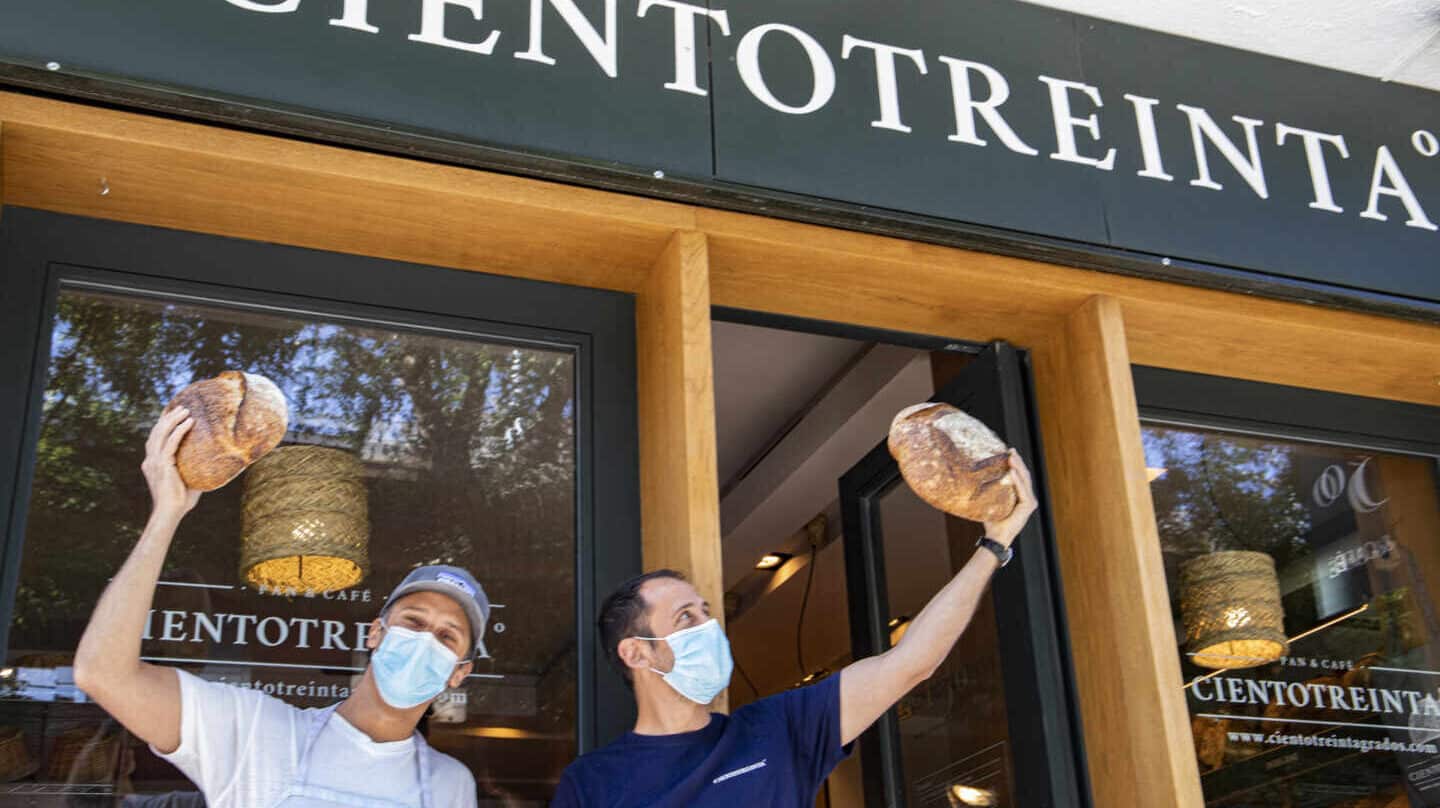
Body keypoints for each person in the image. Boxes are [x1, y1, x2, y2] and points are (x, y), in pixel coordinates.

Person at [552, 450, 1038, 807]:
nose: (709, 627)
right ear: (636, 653)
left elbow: (911, 663)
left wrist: (994, 546)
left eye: (706, 612)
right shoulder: (592, 784)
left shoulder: (779, 731)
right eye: (686, 618)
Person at [74, 406, 485, 807]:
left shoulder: (450, 784)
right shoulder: (256, 731)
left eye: (447, 636)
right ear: (375, 632)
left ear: (460, 672)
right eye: (413, 621)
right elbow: (104, 674)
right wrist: (166, 513)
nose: (423, 641)